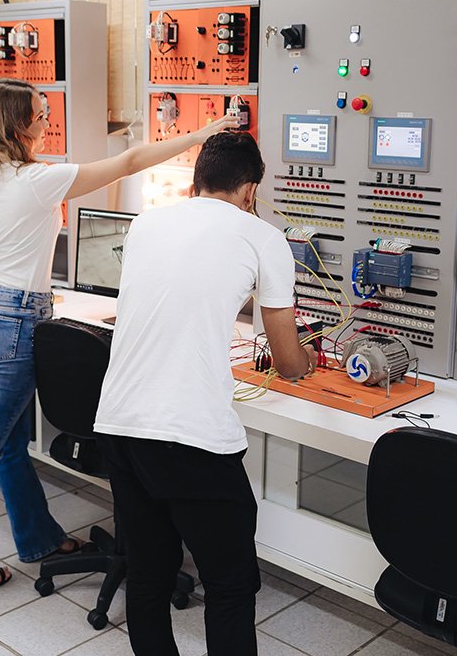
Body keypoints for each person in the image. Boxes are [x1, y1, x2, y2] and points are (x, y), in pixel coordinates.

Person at [0, 77, 238, 596]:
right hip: (12, 322)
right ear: (17, 125)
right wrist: (203, 134)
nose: (47, 121)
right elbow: (127, 163)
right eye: (40, 115)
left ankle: (37, 539)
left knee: (8, 441)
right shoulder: (37, 179)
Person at [92, 131, 315, 655]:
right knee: (231, 584)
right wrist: (306, 360)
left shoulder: (148, 222)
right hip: (190, 437)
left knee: (149, 575)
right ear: (250, 191)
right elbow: (287, 364)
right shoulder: (263, 237)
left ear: (196, 182)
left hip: (120, 424)